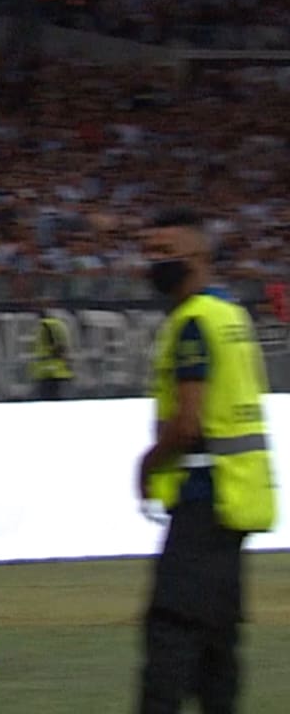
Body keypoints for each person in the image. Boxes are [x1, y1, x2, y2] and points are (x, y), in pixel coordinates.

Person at [136, 208, 275, 714]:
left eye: (163, 250)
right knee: (217, 638)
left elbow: (189, 422)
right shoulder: (232, 315)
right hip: (240, 493)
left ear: (197, 255)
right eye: (148, 251)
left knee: (170, 629)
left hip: (203, 493)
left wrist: (147, 465)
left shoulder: (193, 320)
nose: (153, 261)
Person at [31, 303, 73, 400]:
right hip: (57, 371)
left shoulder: (45, 326)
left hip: (48, 372)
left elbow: (57, 347)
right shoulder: (58, 324)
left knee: (48, 399)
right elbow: (62, 346)